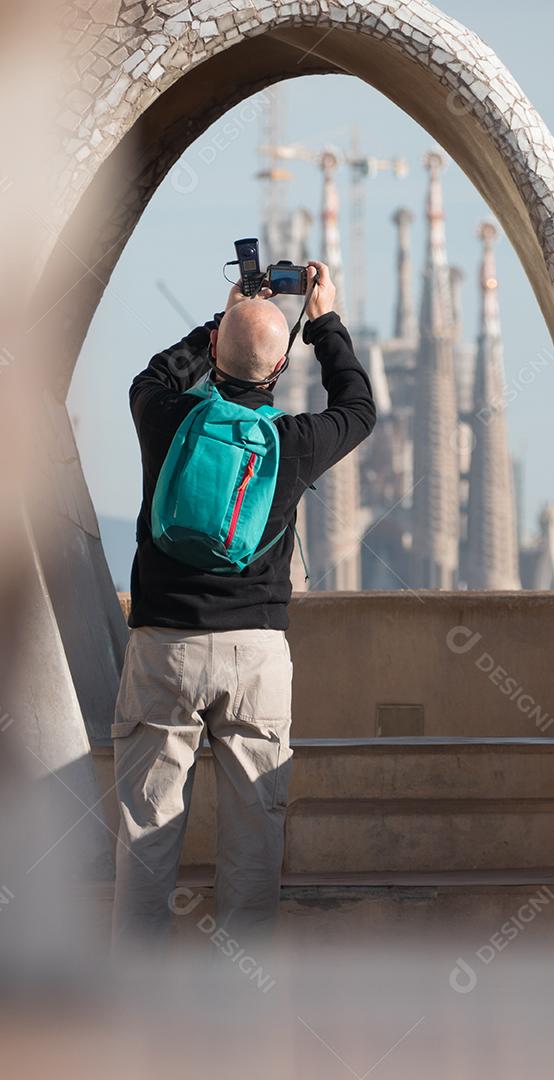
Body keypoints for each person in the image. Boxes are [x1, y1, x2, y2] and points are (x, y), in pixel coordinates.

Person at [111, 260, 375, 945]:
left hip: (162, 647)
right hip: (255, 654)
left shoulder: (163, 416)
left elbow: (154, 374)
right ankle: (238, 1000)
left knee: (147, 828)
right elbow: (358, 408)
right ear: (281, 366)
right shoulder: (294, 443)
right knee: (254, 830)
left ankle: (130, 998)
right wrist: (323, 322)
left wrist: (222, 318)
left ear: (214, 354)